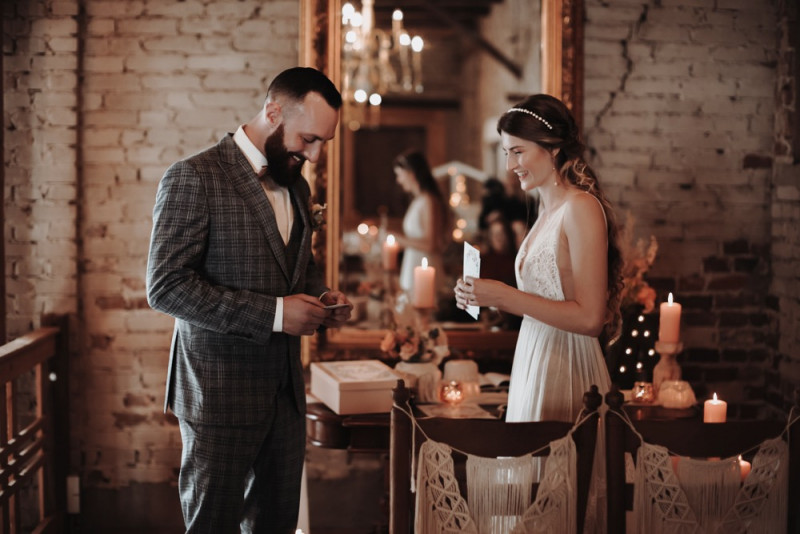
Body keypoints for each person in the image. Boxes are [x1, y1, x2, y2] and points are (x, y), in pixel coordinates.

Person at [146, 67, 352, 533]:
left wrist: (322, 296)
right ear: (273, 112)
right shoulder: (193, 177)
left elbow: (296, 266)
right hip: (218, 395)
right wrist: (278, 314)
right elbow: (165, 286)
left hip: (285, 396)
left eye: (324, 143)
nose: (316, 155)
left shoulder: (298, 185)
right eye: (309, 139)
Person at [454, 93, 622, 423]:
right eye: (506, 153)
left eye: (518, 152)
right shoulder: (545, 211)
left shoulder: (580, 208)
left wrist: (504, 296)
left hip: (568, 365)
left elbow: (590, 319)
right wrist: (480, 295)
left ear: (554, 148)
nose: (509, 166)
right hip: (533, 356)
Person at [392, 150, 449, 294]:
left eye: (399, 175)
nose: (398, 180)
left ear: (411, 173)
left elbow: (431, 244)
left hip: (425, 268)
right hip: (412, 266)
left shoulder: (428, 201)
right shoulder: (418, 201)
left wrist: (399, 240)